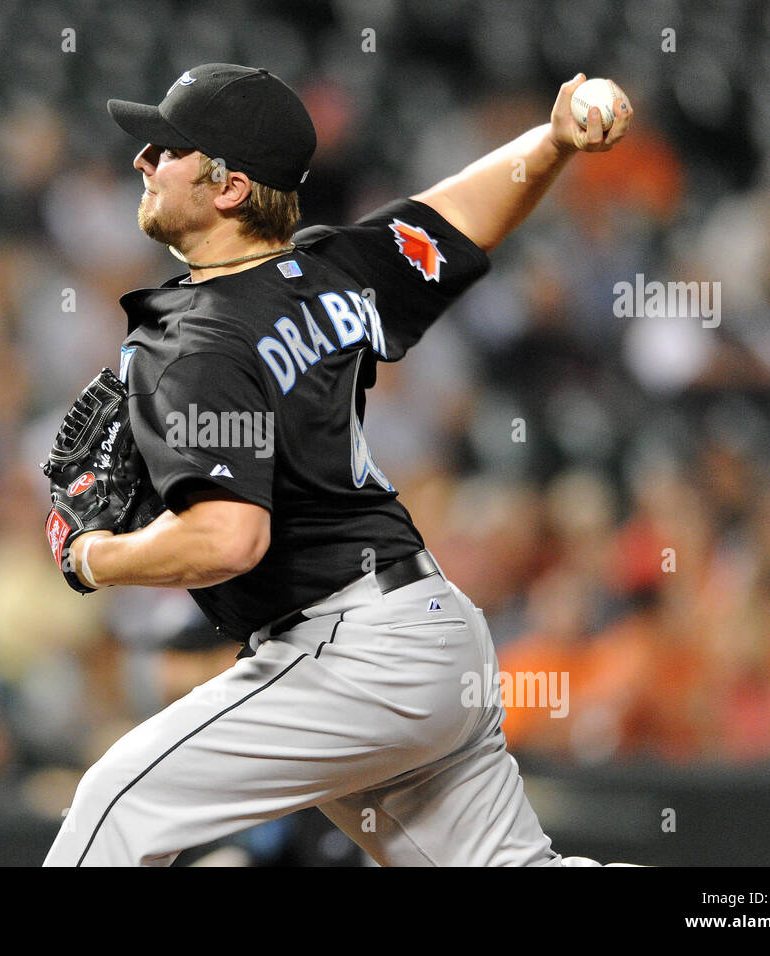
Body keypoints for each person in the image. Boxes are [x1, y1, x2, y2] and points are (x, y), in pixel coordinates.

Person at [42, 64, 634, 866]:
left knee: (113, 810)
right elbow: (459, 214)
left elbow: (228, 540)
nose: (144, 158)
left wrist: (91, 557)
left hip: (353, 651)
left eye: (171, 148)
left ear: (230, 188)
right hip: (424, 629)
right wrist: (555, 139)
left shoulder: (193, 339)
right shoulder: (330, 271)